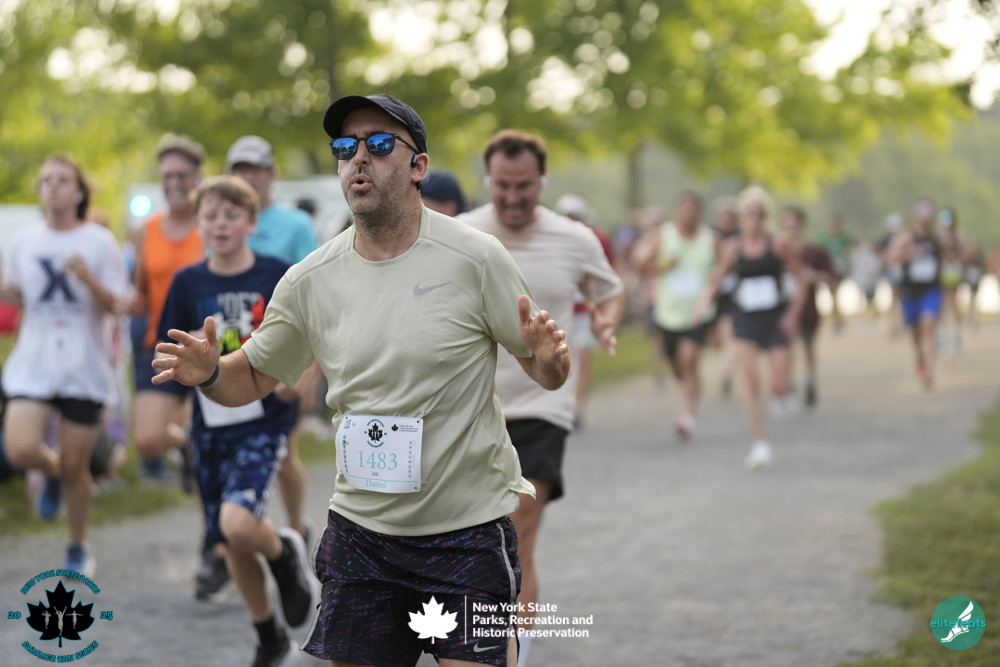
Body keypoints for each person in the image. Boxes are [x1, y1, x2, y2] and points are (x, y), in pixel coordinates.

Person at [152, 93, 571, 667]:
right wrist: (209, 373)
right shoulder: (309, 279)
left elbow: (544, 371)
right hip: (362, 535)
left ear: (418, 166)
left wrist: (551, 359)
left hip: (465, 531)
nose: (359, 159)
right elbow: (249, 377)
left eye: (378, 144)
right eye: (346, 148)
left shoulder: (476, 258)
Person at [461, 134, 622, 666]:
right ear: (488, 181)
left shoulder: (574, 239)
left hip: (542, 405)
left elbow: (610, 290)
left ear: (543, 181)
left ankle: (514, 653)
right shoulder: (462, 234)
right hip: (472, 409)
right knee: (471, 541)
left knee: (517, 533)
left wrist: (606, 321)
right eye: (502, 186)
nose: (513, 197)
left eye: (524, 186)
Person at [157, 175, 319, 667]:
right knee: (229, 539)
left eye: (232, 215)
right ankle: (269, 638)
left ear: (252, 222)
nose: (221, 224)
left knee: (239, 522)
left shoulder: (277, 273)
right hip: (209, 425)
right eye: (211, 215)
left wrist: (302, 378)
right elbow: (172, 351)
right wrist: (177, 402)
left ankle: (284, 553)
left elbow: (312, 332)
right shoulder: (188, 282)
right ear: (198, 224)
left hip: (264, 419)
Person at [0, 155, 128, 575]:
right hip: (34, 363)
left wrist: (87, 277)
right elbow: (19, 294)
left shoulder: (99, 241)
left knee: (77, 466)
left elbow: (117, 303)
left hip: (83, 367)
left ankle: (77, 546)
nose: (53, 186)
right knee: (19, 448)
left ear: (78, 191)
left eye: (62, 180)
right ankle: (51, 472)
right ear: (39, 190)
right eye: (46, 180)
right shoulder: (25, 240)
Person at [226, 135, 318, 549]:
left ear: (272, 174)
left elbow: (316, 295)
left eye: (255, 169)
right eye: (239, 170)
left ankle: (296, 530)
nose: (248, 178)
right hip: (234, 352)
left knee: (283, 454)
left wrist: (306, 368)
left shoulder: (295, 226)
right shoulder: (222, 223)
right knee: (233, 451)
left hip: (283, 354)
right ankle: (233, 538)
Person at [695, 186, 807, 469]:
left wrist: (792, 315)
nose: (753, 219)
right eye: (748, 213)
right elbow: (716, 279)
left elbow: (802, 280)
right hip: (745, 318)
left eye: (759, 213)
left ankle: (782, 393)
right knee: (750, 380)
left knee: (778, 384)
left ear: (766, 217)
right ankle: (760, 443)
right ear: (741, 217)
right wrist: (703, 305)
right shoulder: (733, 248)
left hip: (775, 318)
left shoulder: (778, 244)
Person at [130, 135, 206, 488]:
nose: (174, 183)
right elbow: (140, 292)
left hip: (207, 345)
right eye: (167, 176)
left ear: (198, 178)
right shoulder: (145, 231)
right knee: (148, 439)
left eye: (182, 175)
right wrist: (123, 301)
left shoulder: (211, 226)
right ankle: (188, 442)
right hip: (160, 344)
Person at [632, 190, 717, 438]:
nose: (688, 213)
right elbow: (640, 266)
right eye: (684, 208)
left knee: (689, 360)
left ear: (700, 213)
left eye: (693, 208)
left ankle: (687, 416)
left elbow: (728, 261)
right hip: (669, 314)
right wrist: (664, 265)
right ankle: (689, 386)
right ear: (677, 211)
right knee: (678, 366)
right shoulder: (662, 236)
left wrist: (718, 280)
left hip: (699, 313)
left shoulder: (710, 239)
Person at [553, 192, 618, 431]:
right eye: (567, 216)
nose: (571, 220)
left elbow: (610, 272)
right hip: (562, 310)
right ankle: (562, 406)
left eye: (575, 216)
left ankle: (578, 409)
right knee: (560, 359)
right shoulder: (553, 239)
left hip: (586, 311)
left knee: (583, 356)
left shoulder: (596, 239)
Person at [779, 206, 836, 408]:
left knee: (808, 346)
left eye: (794, 224)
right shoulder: (777, 251)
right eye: (786, 224)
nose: (790, 228)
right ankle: (789, 380)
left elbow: (829, 277)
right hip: (784, 308)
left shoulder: (814, 252)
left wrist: (812, 277)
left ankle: (810, 379)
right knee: (786, 346)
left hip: (808, 308)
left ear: (802, 225)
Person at [884, 199, 943, 389]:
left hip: (931, 289)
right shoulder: (907, 236)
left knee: (929, 325)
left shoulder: (936, 238)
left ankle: (930, 371)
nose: (925, 221)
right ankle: (920, 359)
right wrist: (908, 254)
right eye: (922, 218)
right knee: (916, 333)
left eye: (928, 218)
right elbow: (890, 258)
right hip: (910, 290)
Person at [817, 212, 856, 332]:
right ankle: (837, 319)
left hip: (840, 269)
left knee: (835, 294)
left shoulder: (845, 238)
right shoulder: (825, 239)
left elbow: (852, 250)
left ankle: (837, 318)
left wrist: (850, 263)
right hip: (829, 270)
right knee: (834, 293)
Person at [936, 207, 965, 352]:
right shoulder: (940, 235)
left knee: (952, 303)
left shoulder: (956, 236)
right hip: (944, 272)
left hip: (952, 272)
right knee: (943, 305)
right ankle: (943, 336)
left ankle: (955, 336)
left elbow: (964, 253)